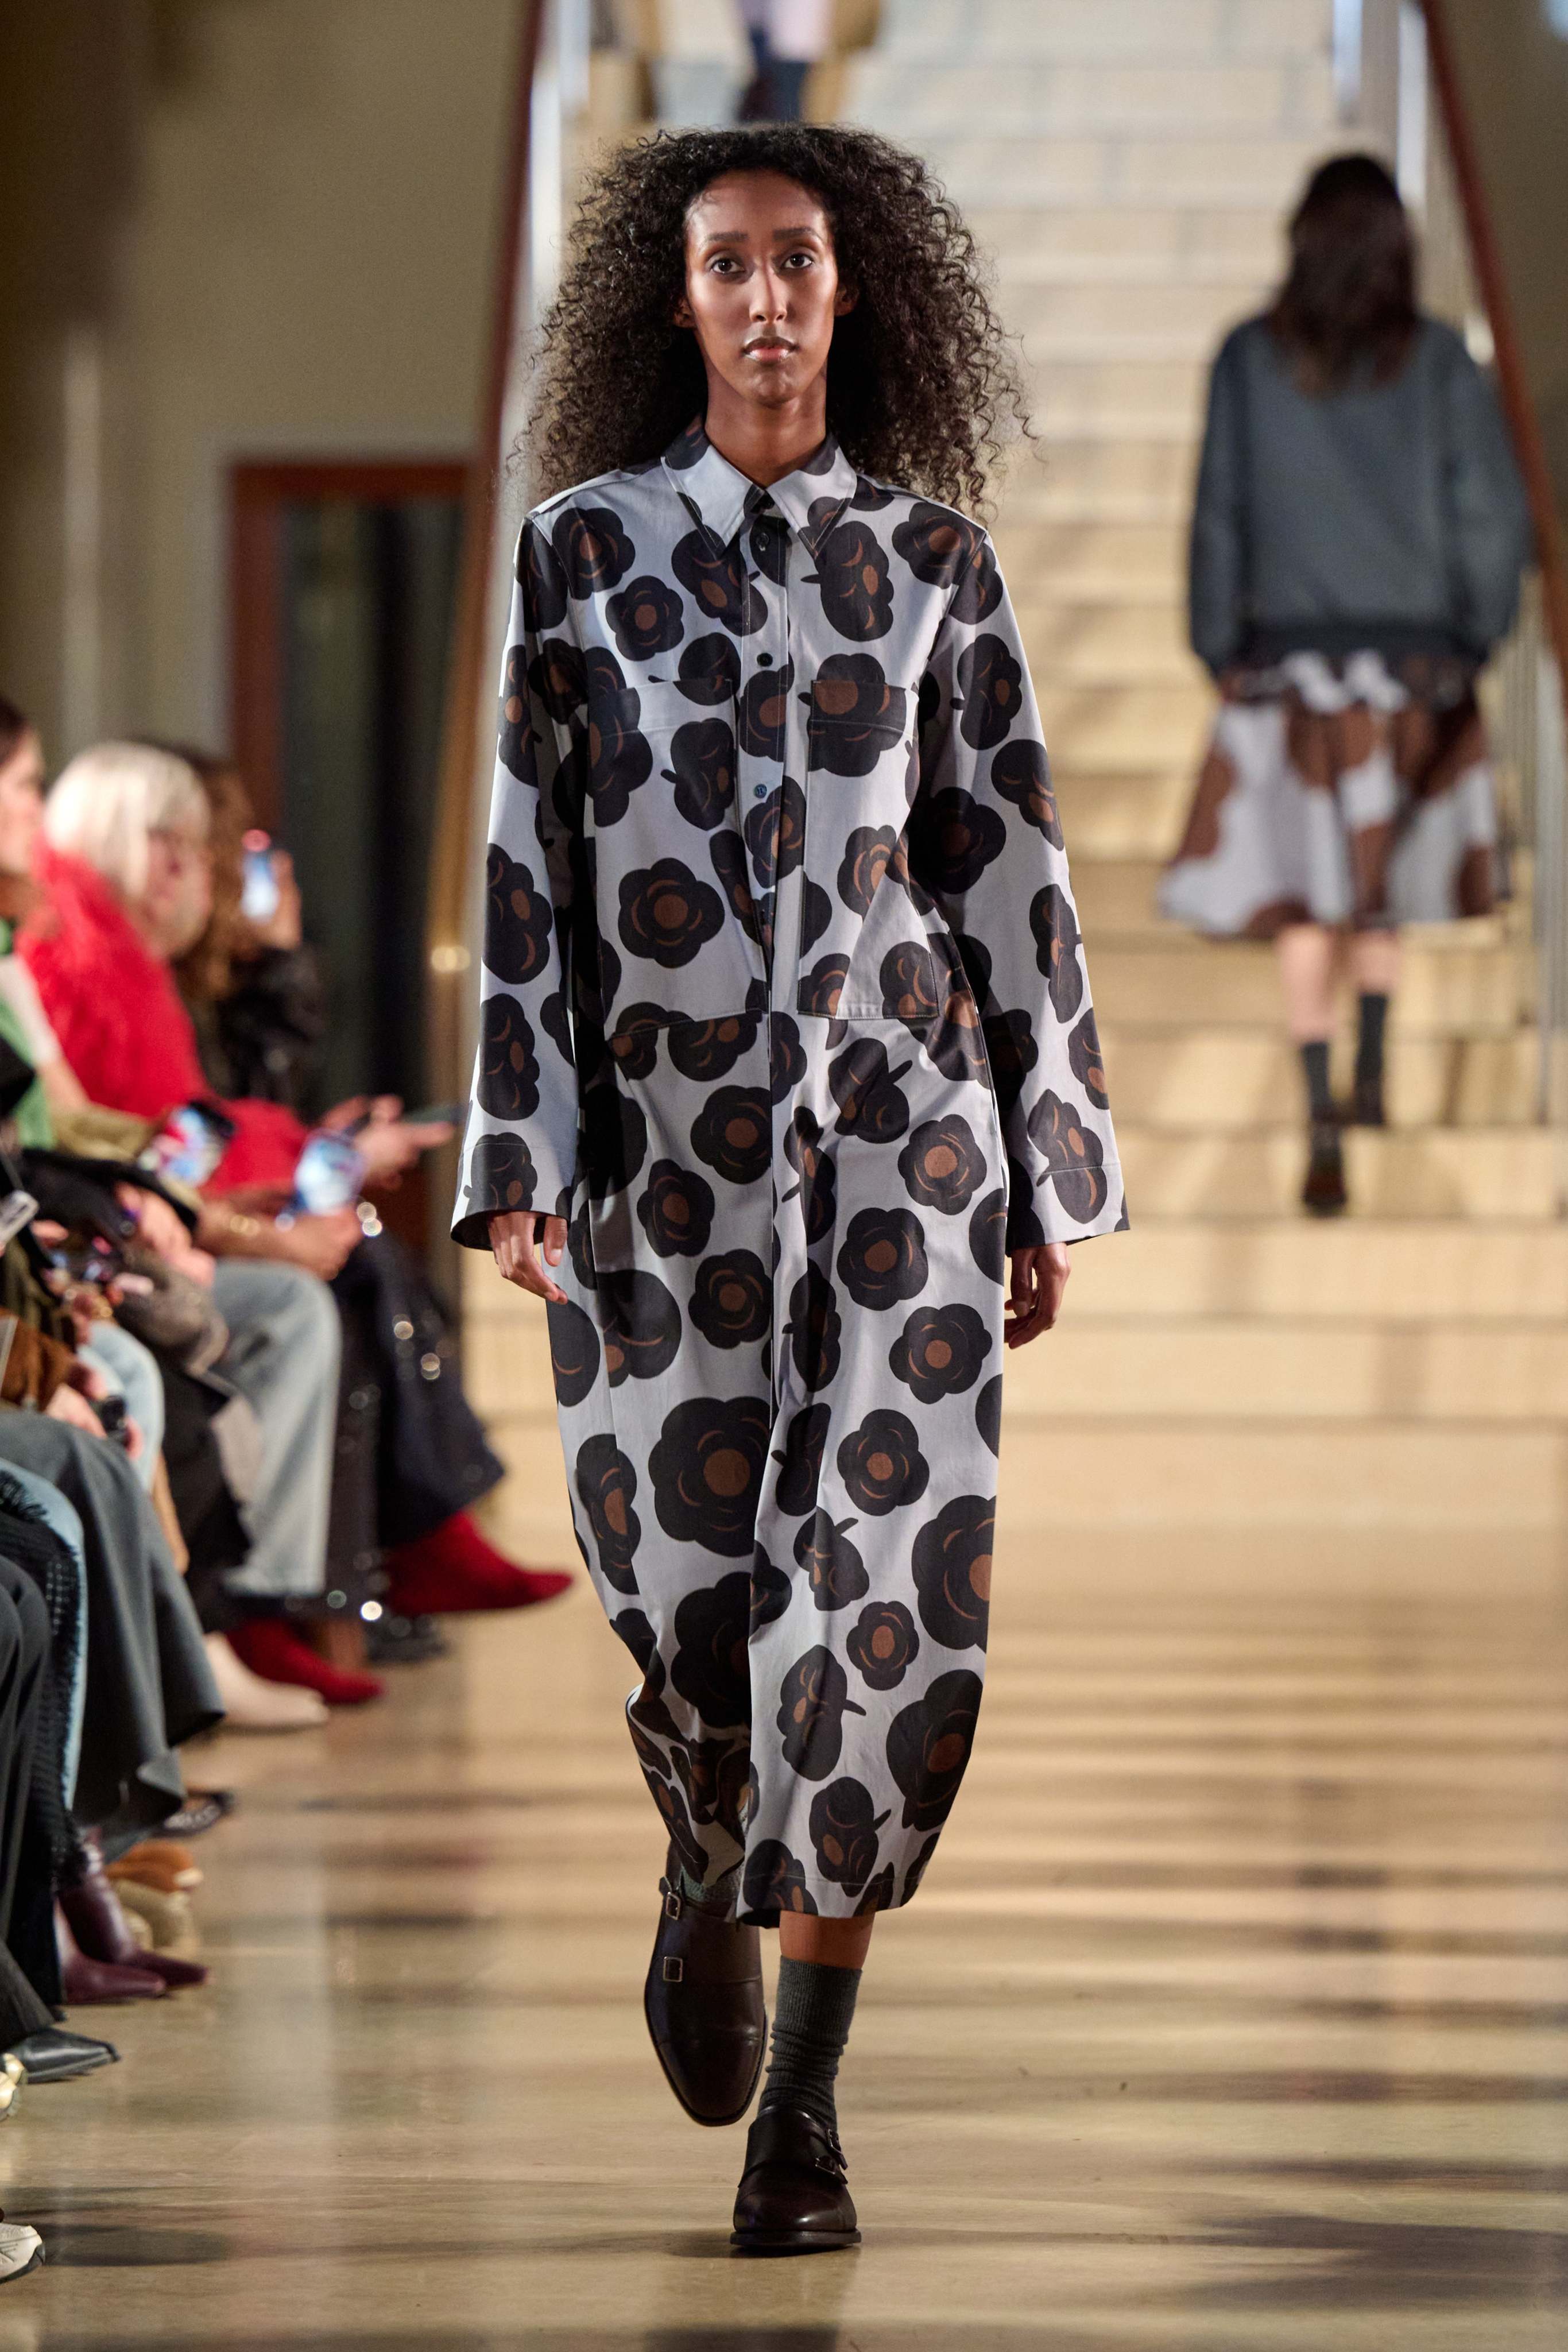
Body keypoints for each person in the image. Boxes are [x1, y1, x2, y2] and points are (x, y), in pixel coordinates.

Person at [454, 123, 1125, 2252]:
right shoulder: (575, 556)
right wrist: (519, 1149)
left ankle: (806, 2126)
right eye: (727, 265)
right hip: (655, 1178)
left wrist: (1042, 1168)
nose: (763, 298)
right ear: (674, 299)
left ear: (856, 295)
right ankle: (702, 1835)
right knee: (690, 1609)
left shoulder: (936, 568)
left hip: (898, 1158)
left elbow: (1005, 872)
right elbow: (524, 878)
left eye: (798, 265)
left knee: (888, 1620)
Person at [17, 738, 570, 1672]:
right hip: (127, 1226)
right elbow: (172, 1133)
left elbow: (197, 1124)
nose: (206, 871)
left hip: (153, 1213)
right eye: (182, 844)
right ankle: (308, 1592)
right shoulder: (88, 959)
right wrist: (312, 1157)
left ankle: (348, 1576)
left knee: (355, 1262)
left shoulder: (133, 962)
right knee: (334, 1277)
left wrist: (308, 1123)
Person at [1163, 152, 1531, 1214]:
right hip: (1414, 664)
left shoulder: (1247, 357)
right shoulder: (1441, 364)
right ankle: (1373, 1063)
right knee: (1382, 880)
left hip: (1287, 667)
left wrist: (1214, 645)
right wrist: (1475, 638)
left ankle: (1319, 1093)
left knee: (1304, 896)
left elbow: (1218, 511)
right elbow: (1490, 516)